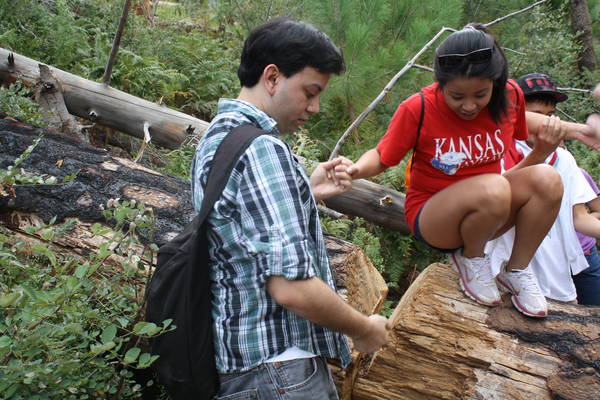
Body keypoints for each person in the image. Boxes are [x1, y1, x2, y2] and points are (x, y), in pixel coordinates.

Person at [190, 18, 390, 400]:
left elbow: (238, 232)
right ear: (272, 77)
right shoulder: (264, 149)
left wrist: (305, 190)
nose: (314, 107)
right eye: (310, 92)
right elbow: (292, 288)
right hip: (281, 373)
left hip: (243, 371)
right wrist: (363, 329)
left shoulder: (219, 136)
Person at [347, 24, 567, 318]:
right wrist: (354, 170)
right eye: (457, 96)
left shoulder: (509, 96)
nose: (469, 105)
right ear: (441, 84)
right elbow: (382, 157)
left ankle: (516, 270)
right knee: (494, 186)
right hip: (435, 217)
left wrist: (553, 146)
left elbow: (528, 136)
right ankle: (471, 258)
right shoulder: (419, 108)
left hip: (491, 210)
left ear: (495, 83)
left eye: (480, 94)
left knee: (549, 179)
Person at [486, 73, 600, 305]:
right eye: (536, 116)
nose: (547, 124)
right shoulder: (497, 151)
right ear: (516, 116)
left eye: (550, 116)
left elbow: (578, 218)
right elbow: (492, 202)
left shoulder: (565, 159)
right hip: (506, 272)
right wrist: (540, 154)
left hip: (555, 272)